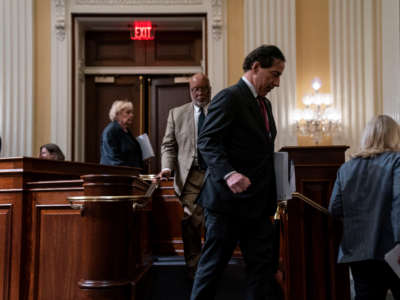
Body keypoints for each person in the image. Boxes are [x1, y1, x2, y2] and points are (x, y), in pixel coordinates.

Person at [190, 45, 285, 300]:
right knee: (211, 271)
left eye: (279, 76)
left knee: (262, 272)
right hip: (226, 205)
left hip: (256, 206)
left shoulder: (264, 104)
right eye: (274, 74)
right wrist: (229, 173)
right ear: (255, 67)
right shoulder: (229, 97)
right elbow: (207, 141)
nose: (277, 82)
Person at [329, 115, 400, 300]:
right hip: (393, 250)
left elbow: (335, 208)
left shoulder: (346, 168)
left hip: (358, 252)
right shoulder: (397, 162)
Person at [157, 73, 211, 280]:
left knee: (213, 222)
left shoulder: (219, 111)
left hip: (214, 176)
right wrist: (167, 168)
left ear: (210, 89)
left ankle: (210, 266)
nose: (200, 93)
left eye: (204, 88)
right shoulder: (176, 114)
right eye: (195, 89)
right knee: (190, 221)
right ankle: (194, 267)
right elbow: (168, 146)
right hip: (190, 177)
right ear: (190, 91)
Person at [100, 100, 144, 169]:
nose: (132, 115)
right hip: (115, 174)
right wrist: (129, 171)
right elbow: (112, 159)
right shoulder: (111, 131)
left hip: (131, 173)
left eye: (132, 112)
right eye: (128, 112)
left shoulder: (126, 131)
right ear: (117, 114)